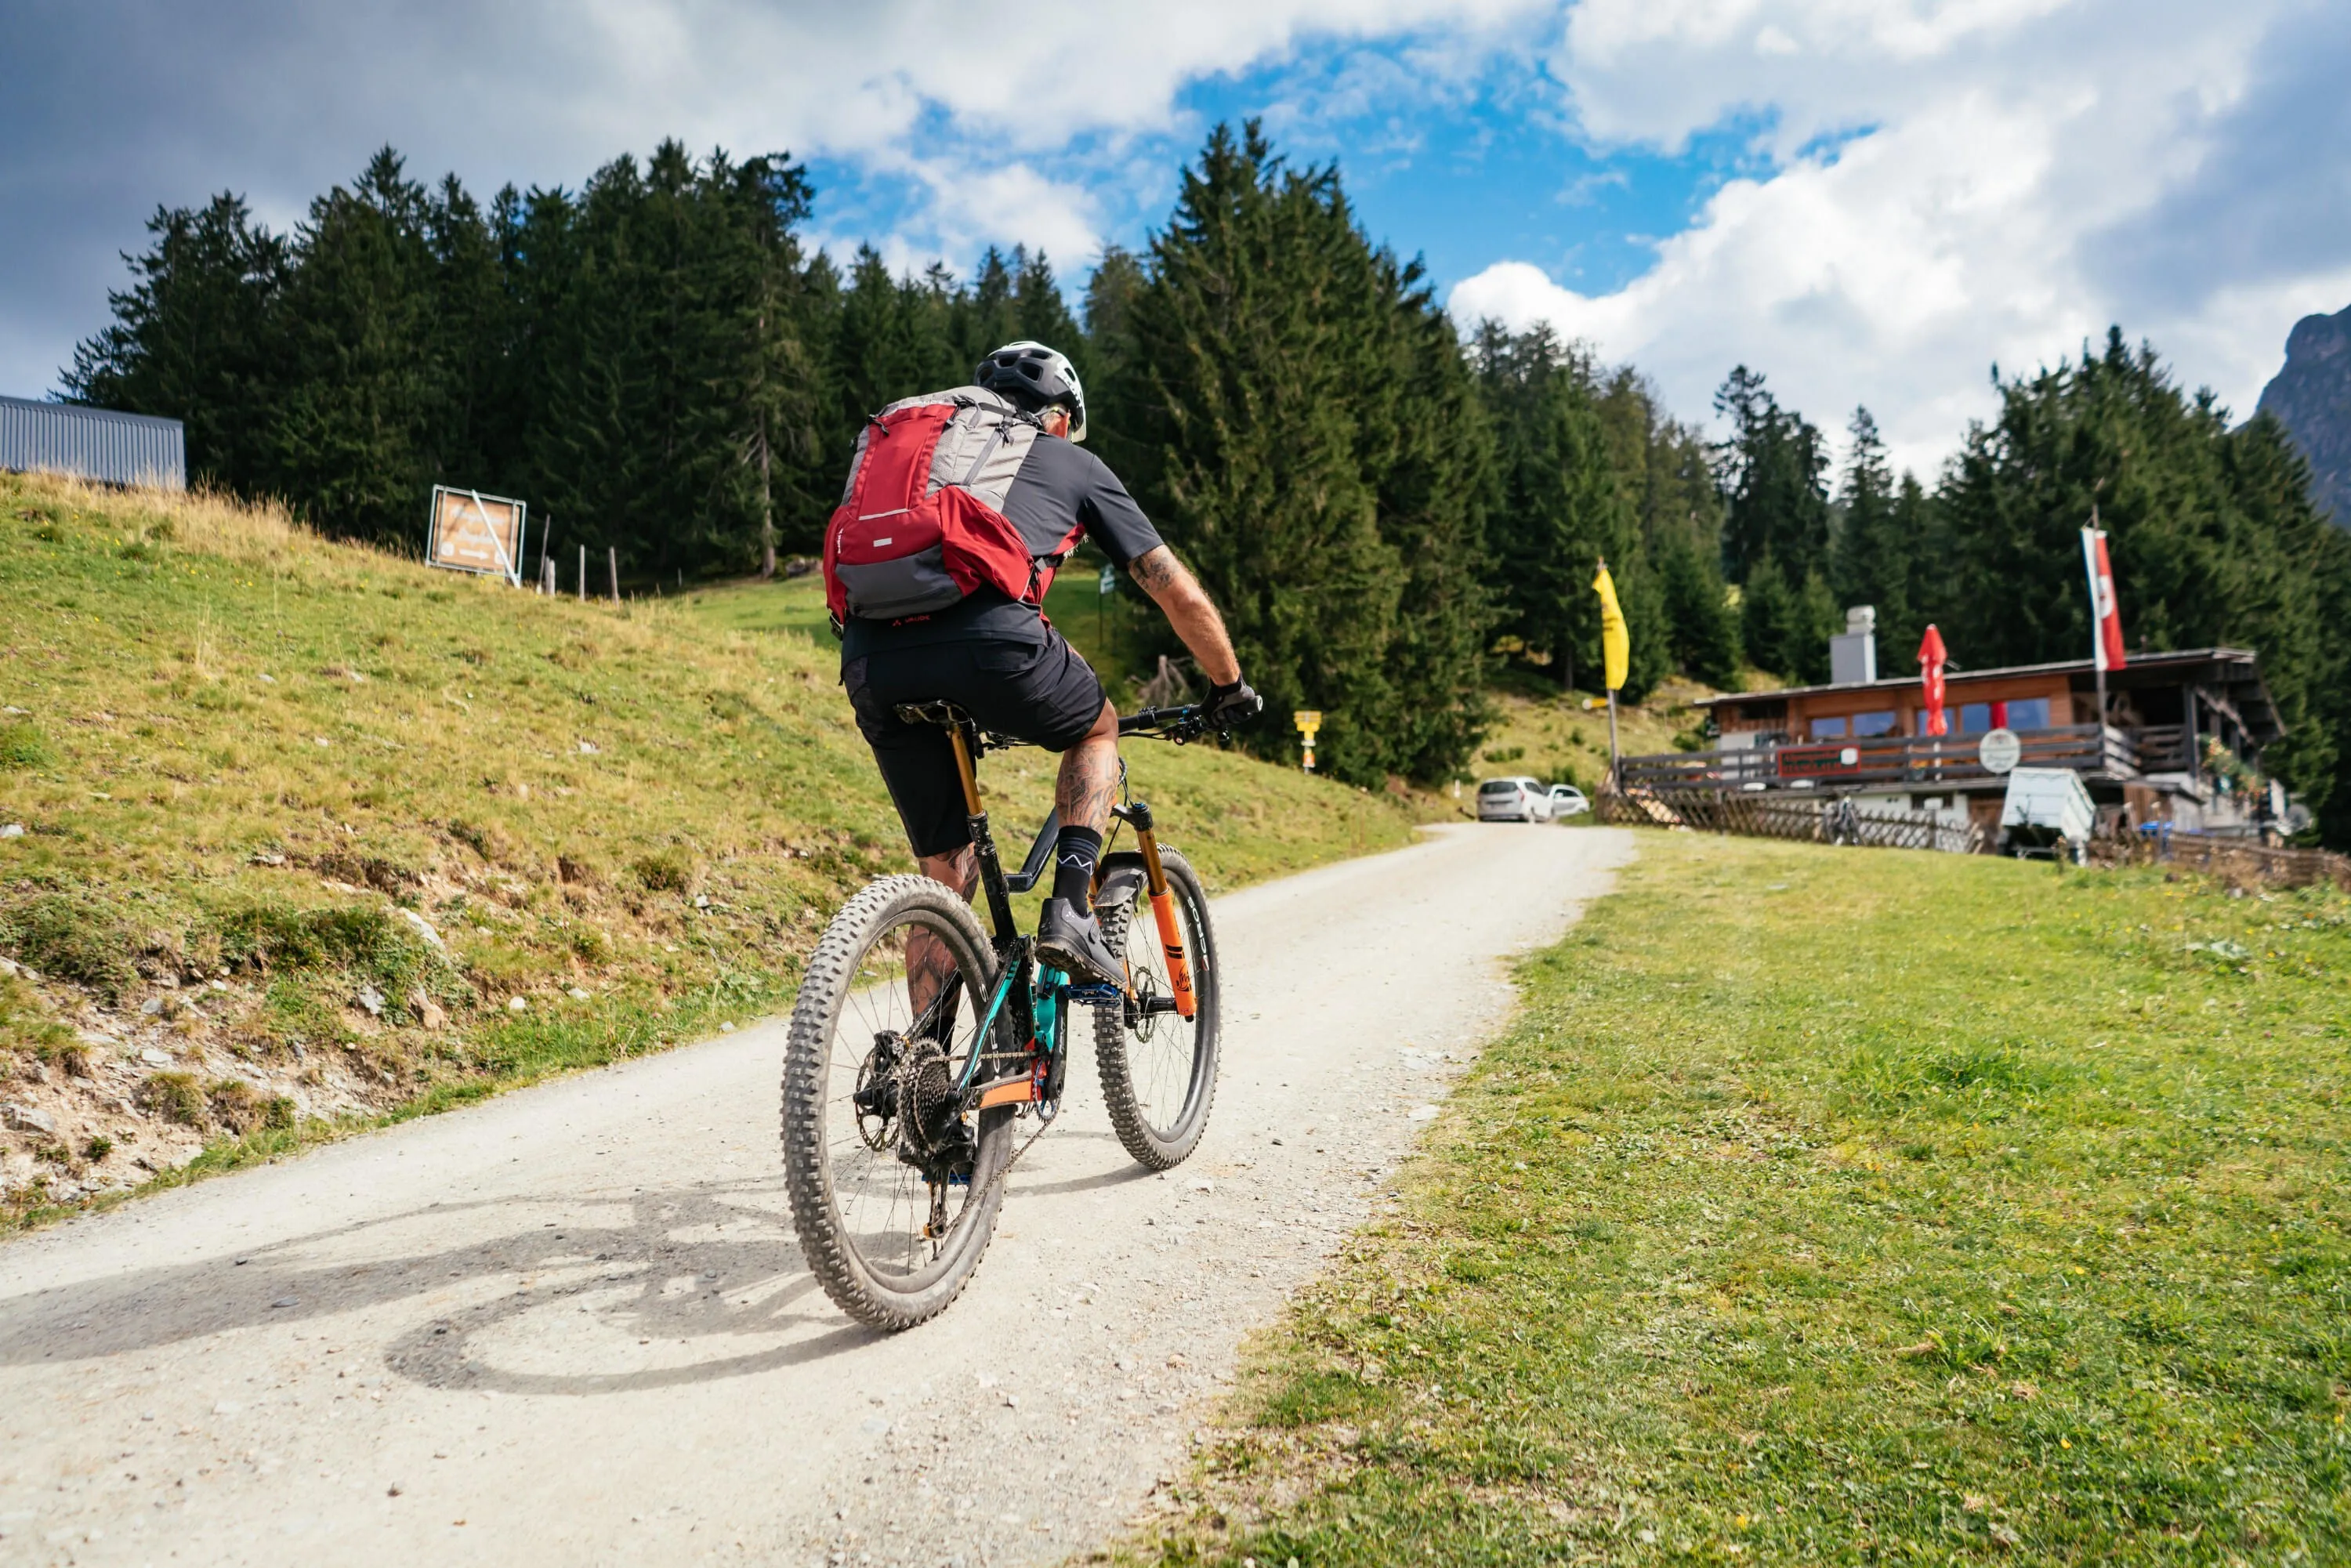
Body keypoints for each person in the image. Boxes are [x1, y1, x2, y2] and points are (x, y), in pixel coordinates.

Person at [834, 340, 1261, 991]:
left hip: (871, 660)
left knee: (947, 871)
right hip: (991, 642)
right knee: (1096, 729)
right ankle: (1070, 911)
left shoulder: (917, 448)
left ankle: (921, 1061)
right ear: (1059, 415)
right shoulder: (1071, 460)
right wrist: (1229, 683)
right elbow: (1172, 588)